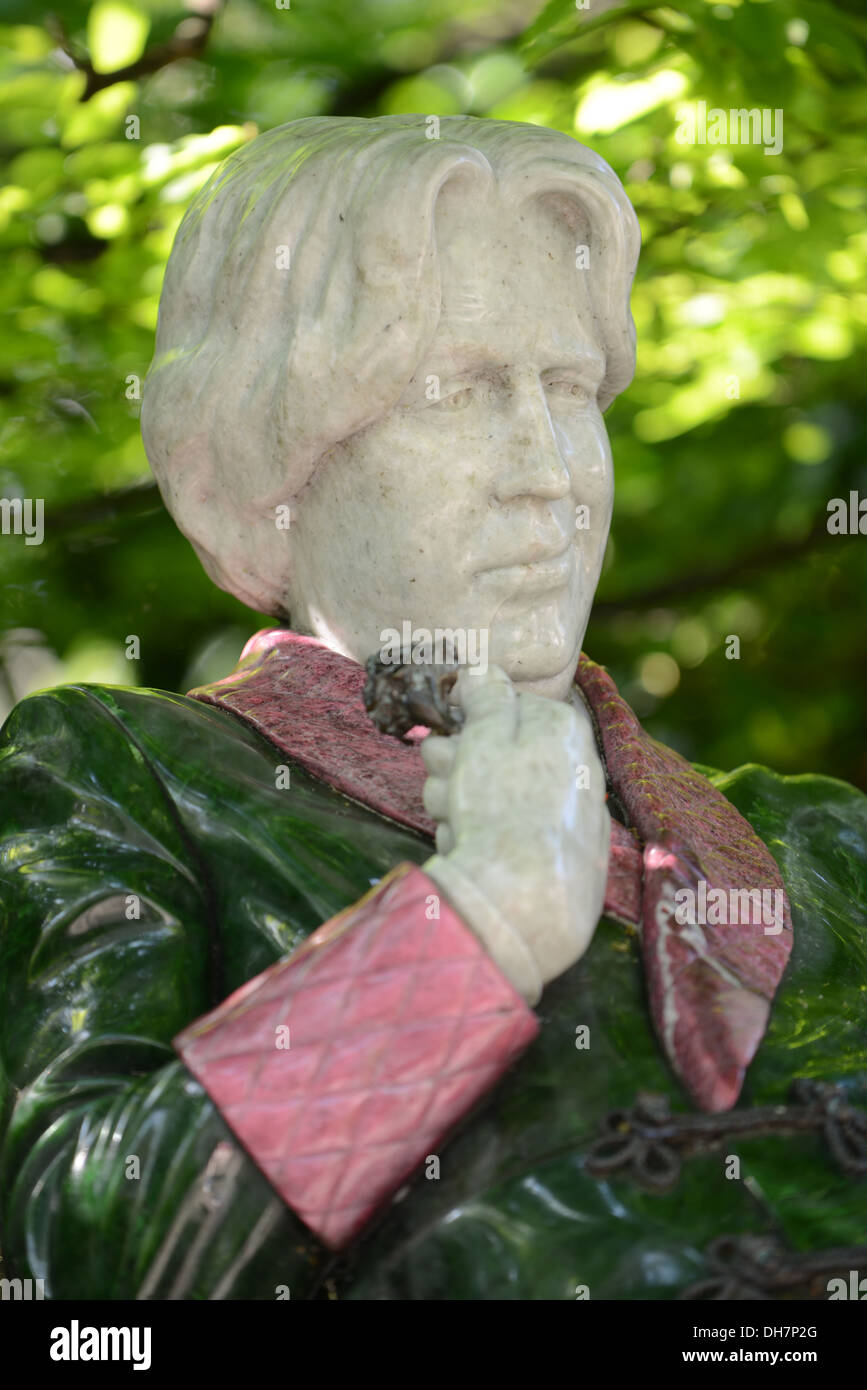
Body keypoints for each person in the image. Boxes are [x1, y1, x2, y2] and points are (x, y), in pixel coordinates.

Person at [0, 116, 864, 1301]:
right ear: (266, 459)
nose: (547, 469)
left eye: (568, 387)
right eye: (453, 391)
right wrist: (479, 921)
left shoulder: (828, 845)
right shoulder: (129, 776)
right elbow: (76, 1269)